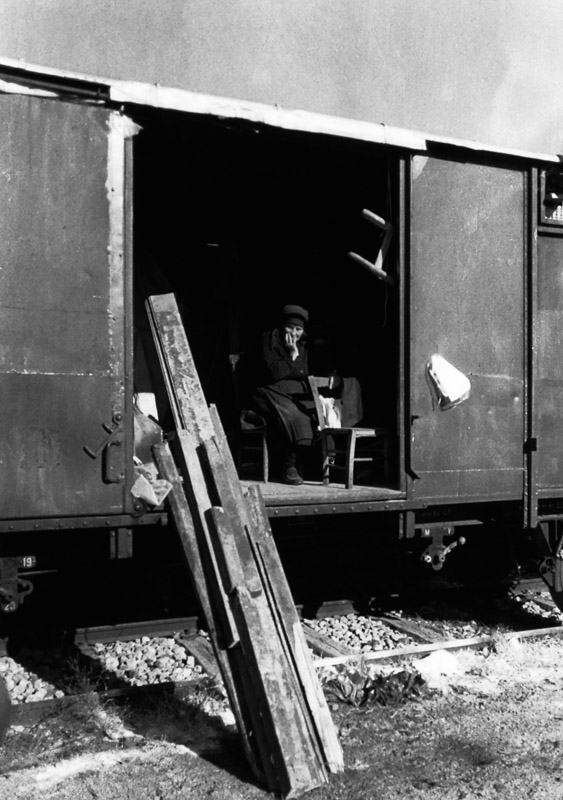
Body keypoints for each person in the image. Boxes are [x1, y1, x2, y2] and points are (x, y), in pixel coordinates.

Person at [251, 304, 316, 485]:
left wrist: (295, 363)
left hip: (295, 392)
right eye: (290, 328)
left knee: (317, 414)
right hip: (268, 393)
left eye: (298, 329)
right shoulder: (269, 341)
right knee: (294, 417)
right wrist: (292, 355)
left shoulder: (304, 345)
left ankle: (313, 466)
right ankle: (289, 467)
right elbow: (275, 373)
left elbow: (305, 372)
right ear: (282, 327)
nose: (294, 333)